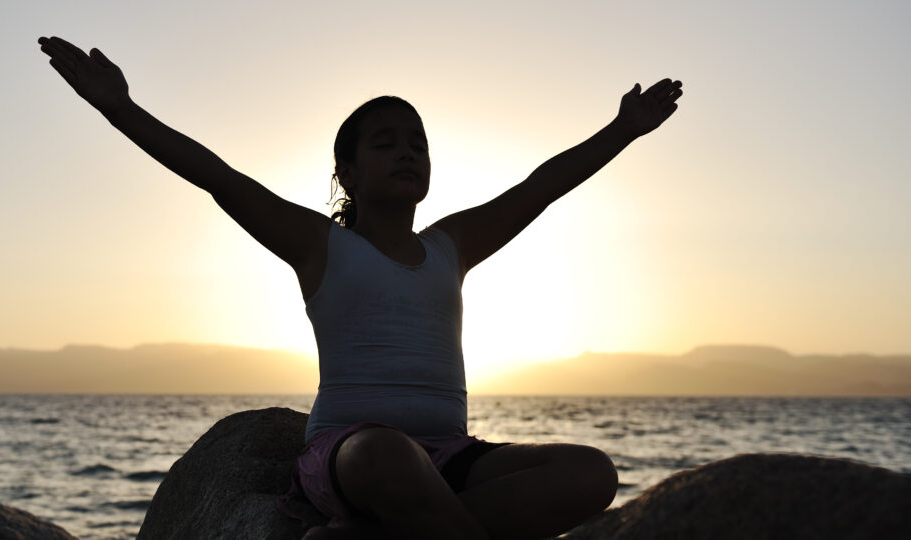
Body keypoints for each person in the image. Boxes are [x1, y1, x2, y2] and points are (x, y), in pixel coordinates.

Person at [37, 36, 683, 540]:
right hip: (352, 458)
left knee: (589, 472)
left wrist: (623, 128)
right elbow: (217, 175)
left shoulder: (449, 246)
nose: (407, 153)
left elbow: (541, 186)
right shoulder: (320, 244)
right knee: (386, 453)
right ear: (345, 170)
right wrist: (118, 107)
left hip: (450, 458)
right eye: (385, 143)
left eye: (417, 144)